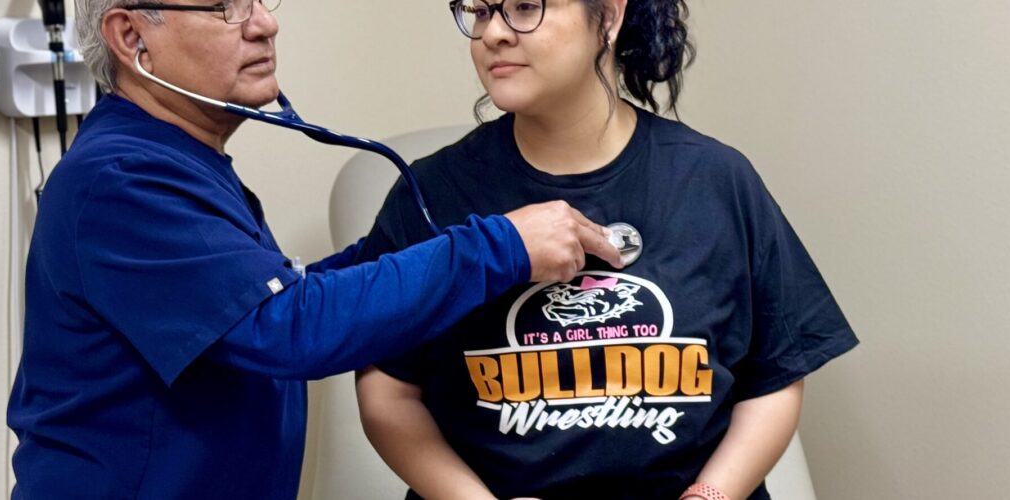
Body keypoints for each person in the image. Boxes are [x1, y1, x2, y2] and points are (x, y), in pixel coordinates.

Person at [5, 0, 623, 498]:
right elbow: (284, 327)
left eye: (261, 1)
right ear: (132, 37)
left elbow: (269, 301)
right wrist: (501, 247)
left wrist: (408, 240)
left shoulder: (184, 164)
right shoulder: (124, 181)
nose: (265, 23)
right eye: (226, 7)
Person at [354, 1, 859, 499]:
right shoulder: (429, 195)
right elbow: (388, 393)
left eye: (525, 6)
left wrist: (711, 495)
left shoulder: (716, 181)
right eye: (481, 11)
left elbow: (774, 374)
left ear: (610, 16)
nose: (493, 34)